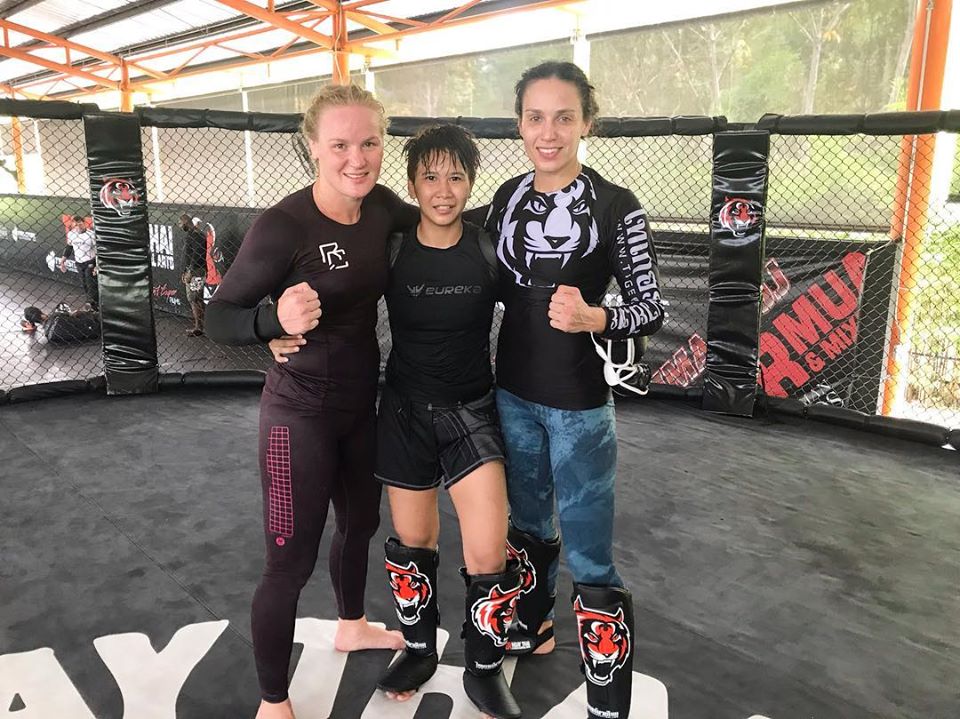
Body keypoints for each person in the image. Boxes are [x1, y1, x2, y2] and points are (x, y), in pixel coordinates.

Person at [272, 124, 522, 719]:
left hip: (472, 412)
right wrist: (274, 329)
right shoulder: (392, 244)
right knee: (415, 546)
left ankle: (485, 668)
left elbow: (534, 311)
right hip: (405, 411)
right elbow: (336, 291)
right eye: (430, 177)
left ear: (470, 182)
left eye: (456, 177)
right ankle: (417, 648)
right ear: (411, 184)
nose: (443, 190)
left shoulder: (491, 247)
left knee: (488, 552)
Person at [204, 84, 417, 719]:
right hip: (297, 416)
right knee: (289, 563)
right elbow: (220, 317)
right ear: (313, 148)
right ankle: (273, 700)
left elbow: (445, 214)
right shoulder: (284, 225)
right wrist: (270, 320)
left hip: (360, 406)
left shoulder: (383, 208)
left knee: (360, 527)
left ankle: (350, 624)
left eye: (370, 142)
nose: (358, 157)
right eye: (341, 145)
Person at [483, 61, 664, 719]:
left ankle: (607, 703)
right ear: (519, 124)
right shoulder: (504, 197)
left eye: (564, 116)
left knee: (590, 551)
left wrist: (597, 316)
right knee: (526, 525)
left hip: (582, 408)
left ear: (588, 121)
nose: (549, 131)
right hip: (512, 396)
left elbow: (651, 308)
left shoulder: (619, 206)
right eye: (536, 117)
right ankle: (532, 627)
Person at [60, 215, 98, 311]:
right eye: (76, 224)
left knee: (90, 283)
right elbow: (69, 247)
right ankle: (93, 304)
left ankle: (91, 303)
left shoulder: (91, 234)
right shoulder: (71, 234)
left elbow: (98, 251)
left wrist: (97, 265)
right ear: (73, 225)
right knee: (84, 284)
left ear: (84, 223)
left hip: (90, 261)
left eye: (80, 223)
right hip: (79, 263)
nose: (78, 225)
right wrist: (63, 260)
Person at [179, 214, 207, 336]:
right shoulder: (195, 234)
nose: (180, 226)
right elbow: (191, 256)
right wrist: (185, 271)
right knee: (197, 299)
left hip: (196, 271)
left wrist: (190, 272)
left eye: (180, 223)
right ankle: (202, 326)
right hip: (195, 271)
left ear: (185, 222)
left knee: (194, 299)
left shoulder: (195, 235)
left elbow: (197, 256)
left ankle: (198, 327)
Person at [21, 302, 99, 344]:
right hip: (95, 324)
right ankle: (92, 312)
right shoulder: (56, 315)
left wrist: (31, 326)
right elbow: (75, 314)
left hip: (90, 335)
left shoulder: (49, 336)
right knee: (69, 311)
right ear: (41, 314)